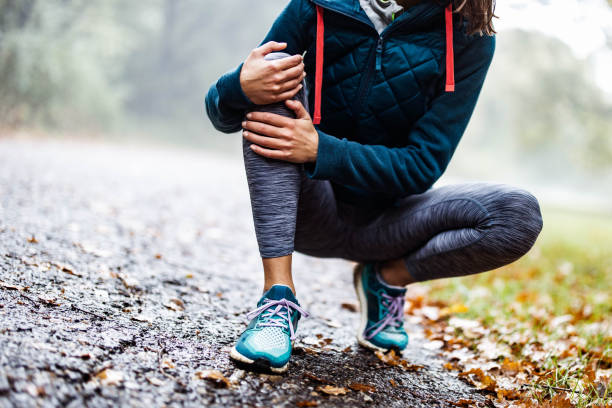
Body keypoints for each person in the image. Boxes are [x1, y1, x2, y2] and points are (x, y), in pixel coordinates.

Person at [205, 0, 543, 374]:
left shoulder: (468, 34)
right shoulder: (316, 5)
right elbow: (222, 113)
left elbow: (422, 165)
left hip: (389, 225)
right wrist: (239, 86)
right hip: (309, 211)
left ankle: (385, 279)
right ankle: (277, 299)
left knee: (517, 214)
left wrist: (321, 149)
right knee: (273, 87)